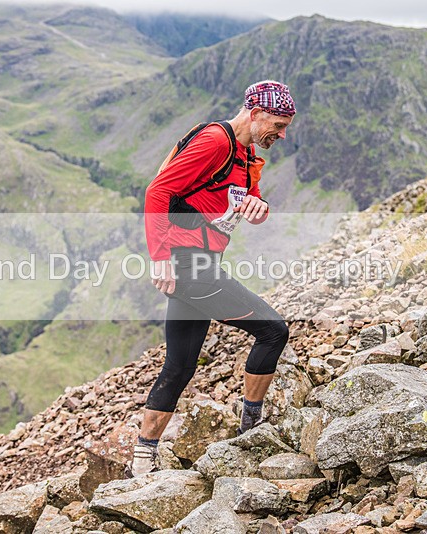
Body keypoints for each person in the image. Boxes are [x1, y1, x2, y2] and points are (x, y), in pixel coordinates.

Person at [128, 80, 296, 477]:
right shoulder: (216, 142)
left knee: (180, 365)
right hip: (190, 265)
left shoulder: (243, 154)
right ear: (255, 114)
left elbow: (250, 200)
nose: (282, 134)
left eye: (286, 126)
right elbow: (158, 192)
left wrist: (260, 208)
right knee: (274, 331)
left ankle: (142, 458)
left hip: (201, 261)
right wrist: (160, 259)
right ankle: (250, 429)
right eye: (278, 124)